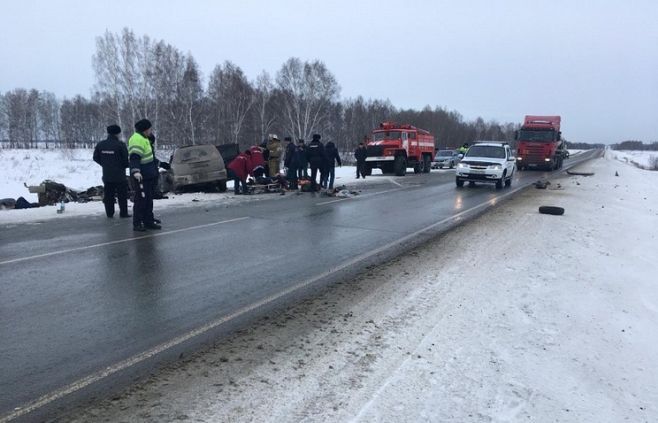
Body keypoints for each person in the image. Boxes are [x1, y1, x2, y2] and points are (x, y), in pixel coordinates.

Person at [128, 119, 160, 231]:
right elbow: (134, 157)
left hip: (148, 174)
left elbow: (149, 156)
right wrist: (136, 171)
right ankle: (137, 223)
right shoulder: (137, 139)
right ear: (145, 129)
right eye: (150, 128)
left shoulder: (144, 138)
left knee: (148, 200)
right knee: (141, 200)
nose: (151, 130)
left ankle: (148, 220)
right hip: (142, 176)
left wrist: (159, 164)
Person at [93, 125, 130, 218]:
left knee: (109, 195)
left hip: (107, 175)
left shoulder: (101, 144)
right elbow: (126, 160)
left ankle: (109, 213)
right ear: (118, 133)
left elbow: (95, 157)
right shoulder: (120, 145)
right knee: (122, 195)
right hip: (120, 175)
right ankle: (123, 213)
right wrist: (122, 165)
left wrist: (105, 164)